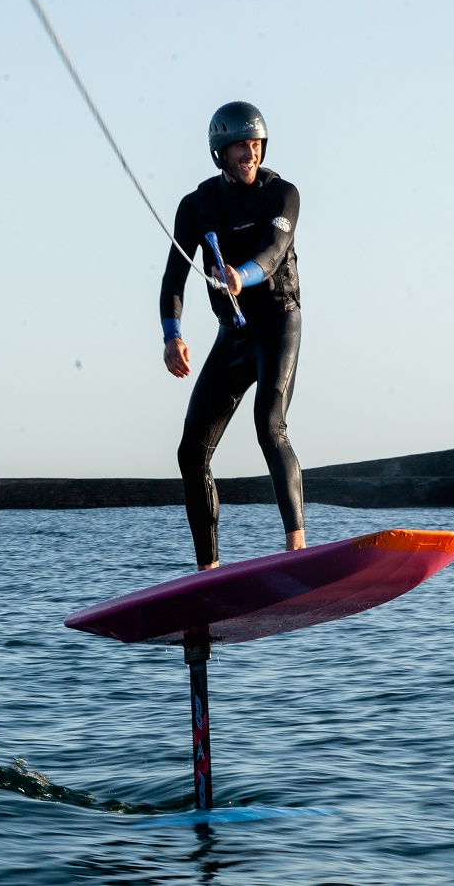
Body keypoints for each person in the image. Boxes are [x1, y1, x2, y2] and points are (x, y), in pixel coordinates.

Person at [159, 101, 305, 570]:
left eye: (256, 143)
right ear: (220, 151)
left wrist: (242, 275)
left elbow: (274, 250)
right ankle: (208, 572)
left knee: (269, 423)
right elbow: (173, 278)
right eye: (241, 145)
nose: (251, 153)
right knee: (191, 453)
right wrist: (172, 335)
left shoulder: (281, 194)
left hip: (278, 323)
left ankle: (297, 549)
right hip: (234, 336)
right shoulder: (197, 206)